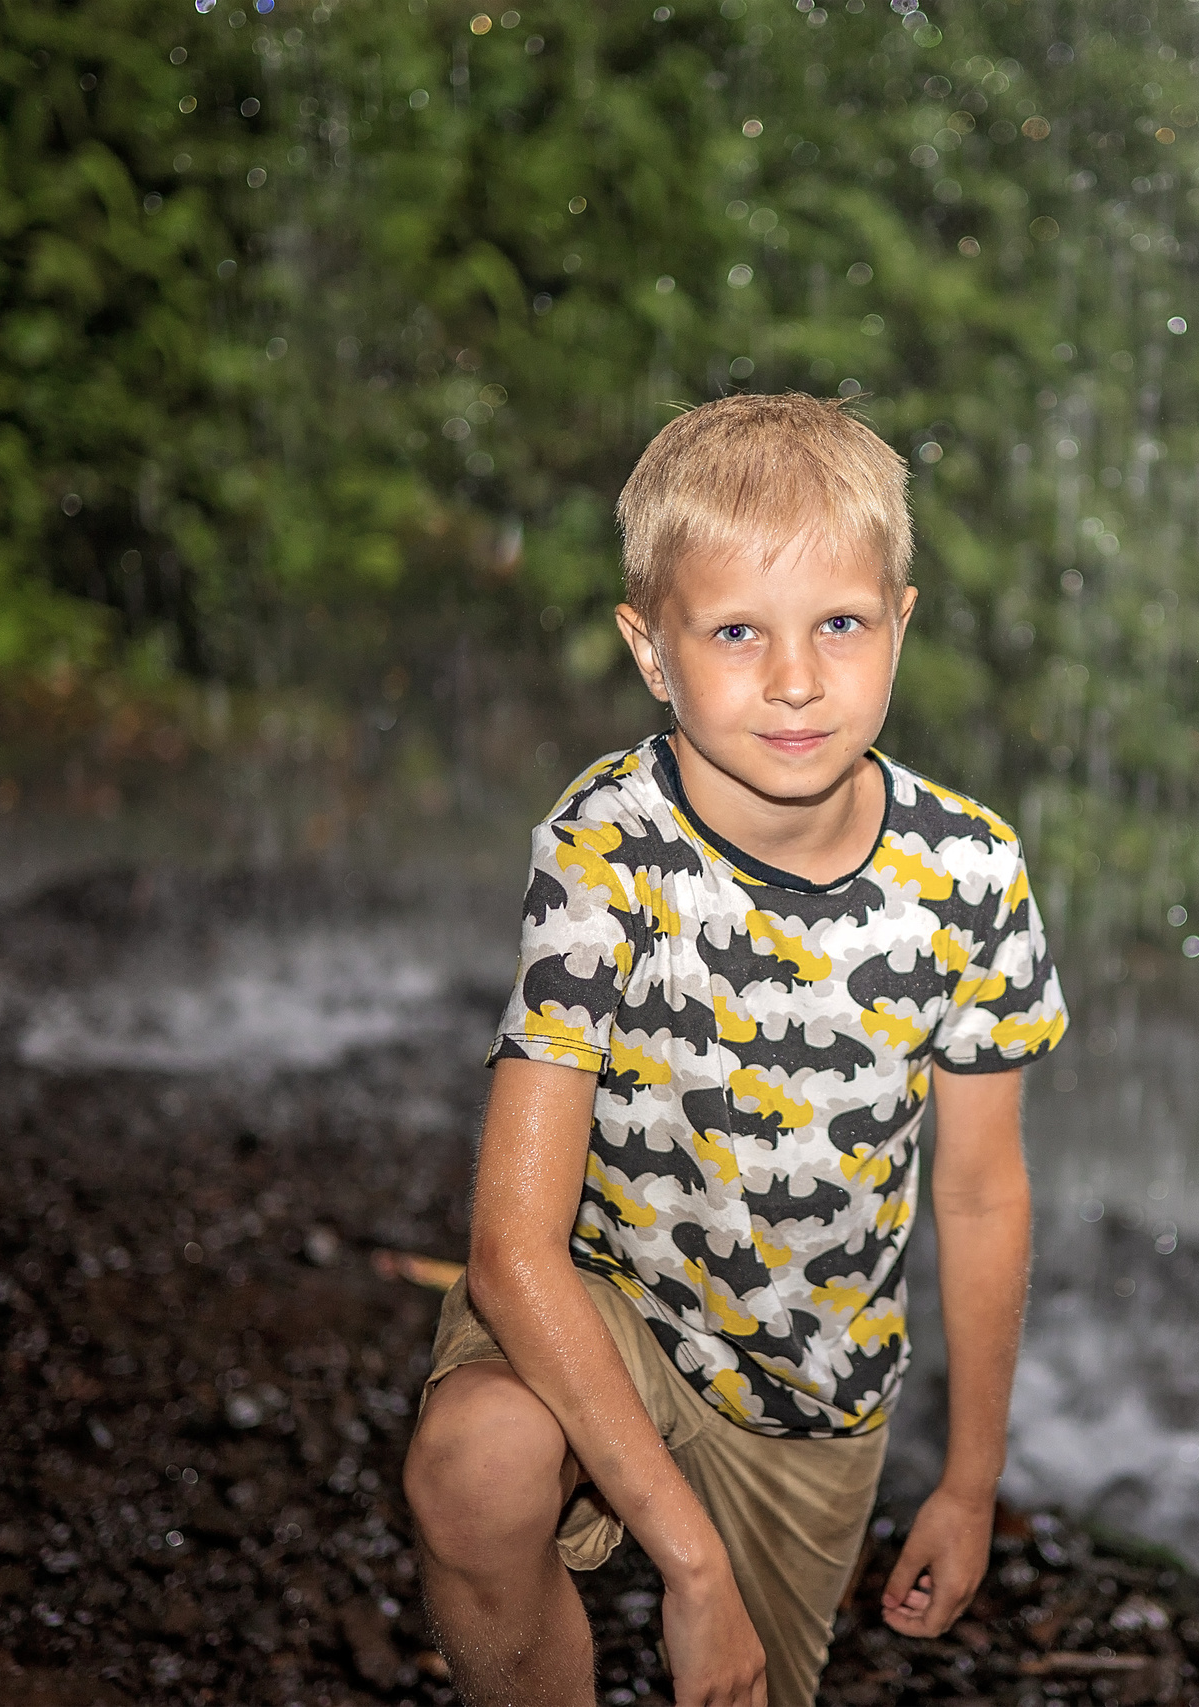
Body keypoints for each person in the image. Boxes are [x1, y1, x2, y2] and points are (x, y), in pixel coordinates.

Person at [402, 393, 1070, 1707]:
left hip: (814, 1389)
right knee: (477, 1460)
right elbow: (511, 1249)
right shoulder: (606, 844)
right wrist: (692, 1569)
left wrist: (971, 1480)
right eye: (735, 632)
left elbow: (984, 1190)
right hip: (609, 1309)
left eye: (841, 624)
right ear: (651, 652)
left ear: (901, 624)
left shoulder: (971, 874)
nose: (796, 679)